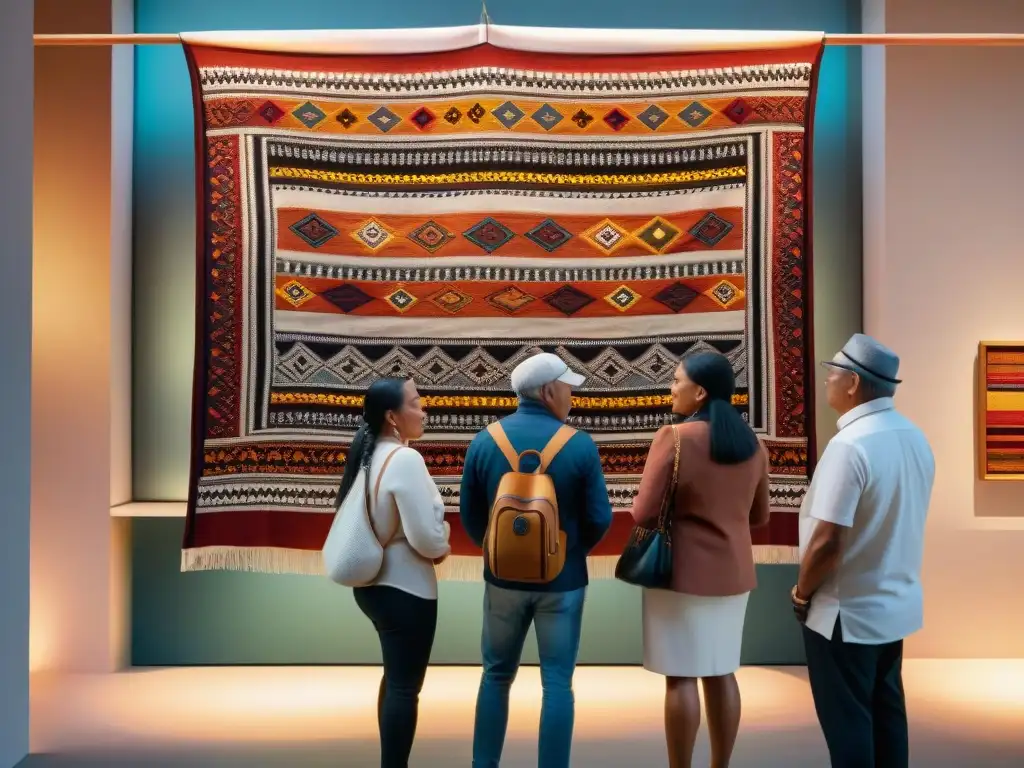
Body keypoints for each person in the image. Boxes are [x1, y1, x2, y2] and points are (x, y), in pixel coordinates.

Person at [460, 352, 613, 768]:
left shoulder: (484, 440)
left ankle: (483, 764)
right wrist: (570, 552)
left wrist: (499, 554)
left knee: (495, 676)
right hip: (562, 584)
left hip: (502, 583)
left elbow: (469, 516)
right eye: (567, 388)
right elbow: (601, 517)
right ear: (548, 392)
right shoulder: (579, 445)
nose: (571, 397)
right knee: (558, 683)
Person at [792, 333, 935, 768]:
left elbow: (829, 539)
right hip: (894, 606)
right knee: (888, 716)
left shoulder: (850, 445)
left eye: (832, 374)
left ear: (852, 383)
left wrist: (801, 594)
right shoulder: (914, 437)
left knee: (849, 724)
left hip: (845, 613)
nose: (827, 383)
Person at [630, 351, 770, 768]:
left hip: (681, 574)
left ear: (700, 391)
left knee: (681, 676)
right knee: (721, 671)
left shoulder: (673, 437)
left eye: (676, 381)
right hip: (734, 574)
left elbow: (644, 514)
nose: (671, 389)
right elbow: (759, 517)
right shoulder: (753, 444)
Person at [336, 377, 451, 768]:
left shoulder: (371, 455)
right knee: (405, 688)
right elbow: (427, 539)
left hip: (372, 588)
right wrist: (444, 541)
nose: (424, 410)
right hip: (407, 591)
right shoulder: (404, 459)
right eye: (416, 403)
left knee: (394, 679)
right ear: (392, 417)